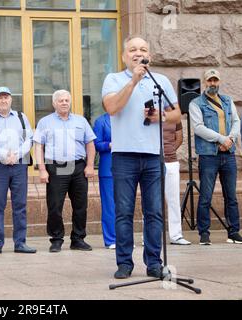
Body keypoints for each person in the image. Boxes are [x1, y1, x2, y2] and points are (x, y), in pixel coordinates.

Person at [101, 35, 182, 279]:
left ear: (150, 55)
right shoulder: (113, 79)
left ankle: (154, 262)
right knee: (124, 211)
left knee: (154, 212)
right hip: (124, 156)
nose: (138, 53)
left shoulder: (160, 81)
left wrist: (162, 117)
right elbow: (112, 107)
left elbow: (177, 113)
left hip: (152, 156)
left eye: (143, 49)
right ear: (124, 56)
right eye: (133, 50)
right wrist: (134, 81)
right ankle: (125, 263)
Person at [34, 89, 96, 253]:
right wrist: (42, 169)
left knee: (81, 205)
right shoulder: (45, 122)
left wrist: (90, 165)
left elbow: (90, 144)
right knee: (55, 205)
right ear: (54, 103)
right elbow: (38, 146)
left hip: (78, 167)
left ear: (70, 102)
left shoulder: (81, 121)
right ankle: (56, 239)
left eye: (66, 100)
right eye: (60, 100)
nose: (64, 103)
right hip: (56, 167)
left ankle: (78, 239)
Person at [189, 69, 242, 245]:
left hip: (228, 154)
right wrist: (221, 138)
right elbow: (198, 127)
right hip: (209, 155)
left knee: (231, 196)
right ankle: (204, 234)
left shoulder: (228, 101)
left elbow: (236, 122)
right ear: (204, 82)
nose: (213, 83)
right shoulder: (196, 103)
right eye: (209, 80)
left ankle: (234, 232)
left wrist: (230, 139)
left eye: (215, 80)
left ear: (219, 82)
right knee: (206, 196)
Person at [0, 86, 37, 255]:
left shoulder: (21, 117)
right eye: (0, 98)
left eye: (6, 97)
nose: (3, 100)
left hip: (19, 165)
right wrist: (4, 154)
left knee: (20, 205)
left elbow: (29, 139)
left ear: (11, 99)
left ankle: (20, 242)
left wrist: (17, 155)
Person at [163, 121, 191, 245]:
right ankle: (148, 236)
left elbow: (179, 138)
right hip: (152, 162)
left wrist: (169, 151)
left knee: (173, 199)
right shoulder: (149, 113)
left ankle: (176, 235)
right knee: (151, 200)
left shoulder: (174, 117)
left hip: (171, 161)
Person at [92, 113, 116, 249]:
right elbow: (97, 144)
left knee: (125, 205)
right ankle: (111, 239)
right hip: (108, 168)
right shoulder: (101, 121)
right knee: (109, 205)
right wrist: (110, 145)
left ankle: (124, 238)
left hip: (127, 167)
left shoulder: (126, 117)